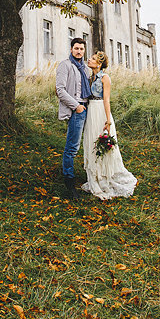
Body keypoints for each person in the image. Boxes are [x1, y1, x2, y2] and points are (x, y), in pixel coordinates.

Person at [80, 51, 137, 200]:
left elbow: (106, 100)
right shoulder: (89, 76)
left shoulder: (105, 78)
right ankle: (95, 176)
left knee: (102, 142)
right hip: (91, 110)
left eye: (92, 59)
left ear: (99, 63)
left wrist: (108, 120)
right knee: (91, 142)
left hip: (100, 110)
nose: (89, 60)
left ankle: (106, 175)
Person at [56, 37, 91, 199]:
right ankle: (69, 181)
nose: (79, 51)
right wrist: (76, 106)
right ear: (71, 49)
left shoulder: (85, 68)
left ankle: (91, 176)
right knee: (73, 146)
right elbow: (60, 90)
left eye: (81, 49)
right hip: (77, 109)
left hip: (87, 108)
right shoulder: (65, 65)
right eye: (76, 48)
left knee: (90, 143)